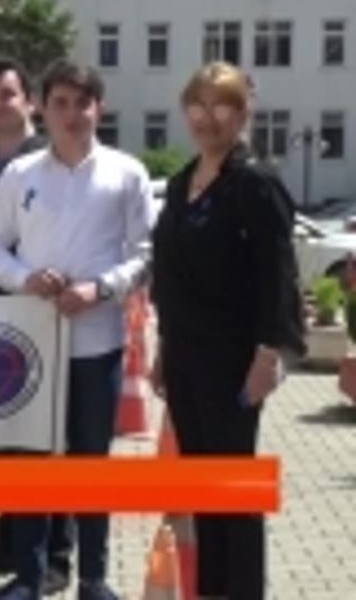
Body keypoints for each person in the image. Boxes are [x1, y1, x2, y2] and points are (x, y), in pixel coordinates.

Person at [0, 61, 152, 600]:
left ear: (99, 108)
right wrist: (23, 279)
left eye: (82, 103)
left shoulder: (126, 172)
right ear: (42, 108)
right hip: (33, 344)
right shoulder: (20, 175)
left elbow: (145, 253)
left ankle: (93, 578)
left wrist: (101, 288)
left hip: (97, 343)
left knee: (90, 462)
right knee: (31, 461)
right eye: (61, 103)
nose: (72, 115)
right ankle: (28, 577)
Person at [150, 62, 304, 600]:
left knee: (234, 487)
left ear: (241, 114)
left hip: (234, 361)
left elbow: (277, 274)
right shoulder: (180, 184)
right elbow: (170, 276)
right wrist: (163, 348)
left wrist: (269, 355)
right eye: (197, 105)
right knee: (203, 484)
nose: (207, 117)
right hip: (185, 356)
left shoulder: (255, 184)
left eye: (221, 105)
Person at [0, 59, 74, 590]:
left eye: (7, 95)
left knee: (48, 441)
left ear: (30, 102)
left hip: (45, 318)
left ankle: (56, 556)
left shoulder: (53, 163)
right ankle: (12, 539)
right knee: (6, 435)